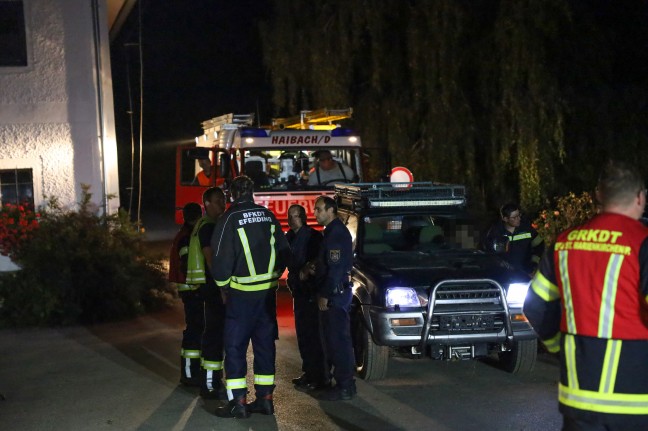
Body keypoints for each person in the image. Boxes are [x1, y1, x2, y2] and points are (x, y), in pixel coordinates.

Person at [523, 160, 648, 430]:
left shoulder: (565, 242)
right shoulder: (642, 242)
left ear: (599, 196)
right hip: (636, 399)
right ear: (640, 197)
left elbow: (535, 306)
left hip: (579, 397)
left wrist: (562, 348)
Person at [211, 175, 290, 419]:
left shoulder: (229, 218)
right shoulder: (268, 216)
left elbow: (220, 257)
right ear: (252, 191)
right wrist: (274, 276)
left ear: (232, 194)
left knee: (235, 348)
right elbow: (283, 251)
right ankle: (265, 400)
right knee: (265, 346)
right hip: (266, 295)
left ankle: (239, 403)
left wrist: (223, 286)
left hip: (241, 296)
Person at [313, 195, 356, 401]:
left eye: (319, 209)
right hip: (336, 293)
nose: (316, 213)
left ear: (331, 211)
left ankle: (345, 386)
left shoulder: (336, 234)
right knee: (335, 340)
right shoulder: (331, 232)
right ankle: (343, 384)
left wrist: (324, 294)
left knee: (338, 341)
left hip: (335, 295)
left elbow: (336, 270)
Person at [186, 187, 227, 399]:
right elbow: (210, 258)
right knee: (214, 336)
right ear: (207, 204)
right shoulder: (208, 227)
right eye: (218, 200)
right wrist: (222, 287)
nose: (223, 203)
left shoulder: (205, 224)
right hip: (213, 288)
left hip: (208, 287)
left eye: (224, 199)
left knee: (213, 334)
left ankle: (209, 381)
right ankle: (210, 385)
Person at [285, 204, 328, 391]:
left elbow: (318, 261)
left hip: (311, 292)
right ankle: (308, 372)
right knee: (303, 335)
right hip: (299, 291)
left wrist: (307, 269)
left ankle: (319, 377)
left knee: (314, 336)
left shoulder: (313, 236)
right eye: (289, 216)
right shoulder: (289, 237)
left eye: (293, 216)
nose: (290, 220)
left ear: (302, 217)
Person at [168, 202, 204, 386]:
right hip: (193, 291)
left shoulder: (184, 235)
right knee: (195, 331)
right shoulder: (188, 237)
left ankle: (191, 373)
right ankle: (190, 375)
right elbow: (186, 263)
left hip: (190, 291)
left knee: (195, 330)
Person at [485, 202, 544, 275]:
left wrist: (534, 263)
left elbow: (540, 246)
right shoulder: (495, 233)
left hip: (525, 273)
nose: (518, 219)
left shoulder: (527, 229)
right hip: (503, 275)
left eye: (519, 215)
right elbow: (488, 253)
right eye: (514, 217)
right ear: (505, 219)